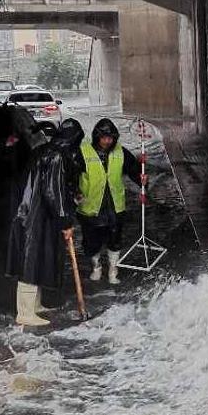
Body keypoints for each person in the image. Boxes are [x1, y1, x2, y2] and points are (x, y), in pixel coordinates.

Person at [6, 118, 86, 327]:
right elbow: (54, 192)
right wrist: (65, 222)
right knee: (30, 262)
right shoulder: (57, 157)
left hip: (30, 213)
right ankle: (25, 312)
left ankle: (36, 305)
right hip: (35, 216)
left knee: (36, 259)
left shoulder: (44, 150)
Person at [76, 117, 141, 287]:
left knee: (115, 239)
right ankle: (96, 266)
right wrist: (74, 193)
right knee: (92, 241)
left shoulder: (120, 152)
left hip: (114, 206)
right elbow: (71, 175)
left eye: (110, 138)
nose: (107, 141)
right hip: (91, 207)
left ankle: (113, 269)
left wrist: (142, 181)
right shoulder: (83, 152)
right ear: (97, 136)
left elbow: (134, 169)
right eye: (104, 137)